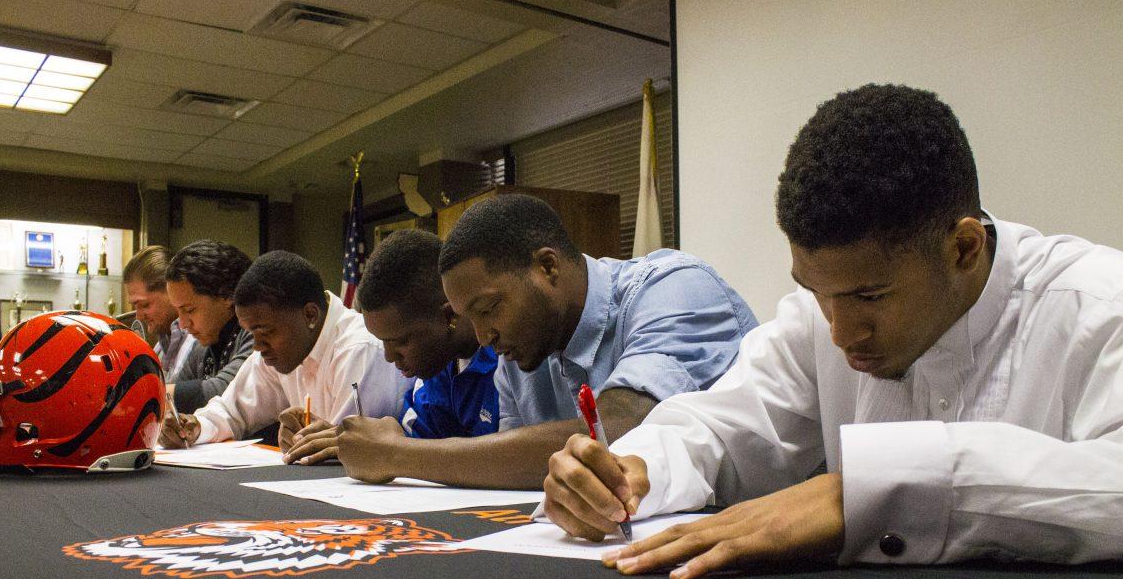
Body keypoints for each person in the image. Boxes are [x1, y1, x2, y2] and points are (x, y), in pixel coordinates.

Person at [541, 83, 1123, 579]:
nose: (840, 332)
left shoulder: (1105, 305)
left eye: (870, 296)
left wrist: (878, 489)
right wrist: (631, 471)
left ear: (964, 248)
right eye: (817, 293)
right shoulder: (822, 317)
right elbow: (717, 427)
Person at [334, 193, 758, 489]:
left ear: (547, 268)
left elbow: (619, 433)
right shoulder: (513, 359)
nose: (484, 337)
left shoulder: (673, 287)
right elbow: (510, 467)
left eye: (489, 308)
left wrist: (398, 455)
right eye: (470, 320)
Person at [284, 229, 497, 465]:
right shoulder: (435, 374)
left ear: (448, 317)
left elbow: (511, 464)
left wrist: (396, 449)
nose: (388, 356)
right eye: (383, 341)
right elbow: (411, 445)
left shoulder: (508, 357)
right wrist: (352, 440)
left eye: (400, 341)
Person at [158, 251, 407, 449]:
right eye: (251, 333)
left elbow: (349, 450)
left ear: (310, 314)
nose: (257, 346)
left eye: (265, 332)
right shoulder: (280, 348)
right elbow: (231, 411)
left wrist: (309, 444)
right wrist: (195, 426)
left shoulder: (360, 350)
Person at [163, 240, 255, 414]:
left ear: (228, 295)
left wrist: (148, 395)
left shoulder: (258, 331)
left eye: (189, 310)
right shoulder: (205, 342)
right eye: (178, 311)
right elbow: (178, 389)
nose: (182, 324)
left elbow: (226, 391)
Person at [122, 245, 202, 407]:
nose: (138, 316)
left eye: (144, 305)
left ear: (171, 292)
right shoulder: (160, 345)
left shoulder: (200, 339)